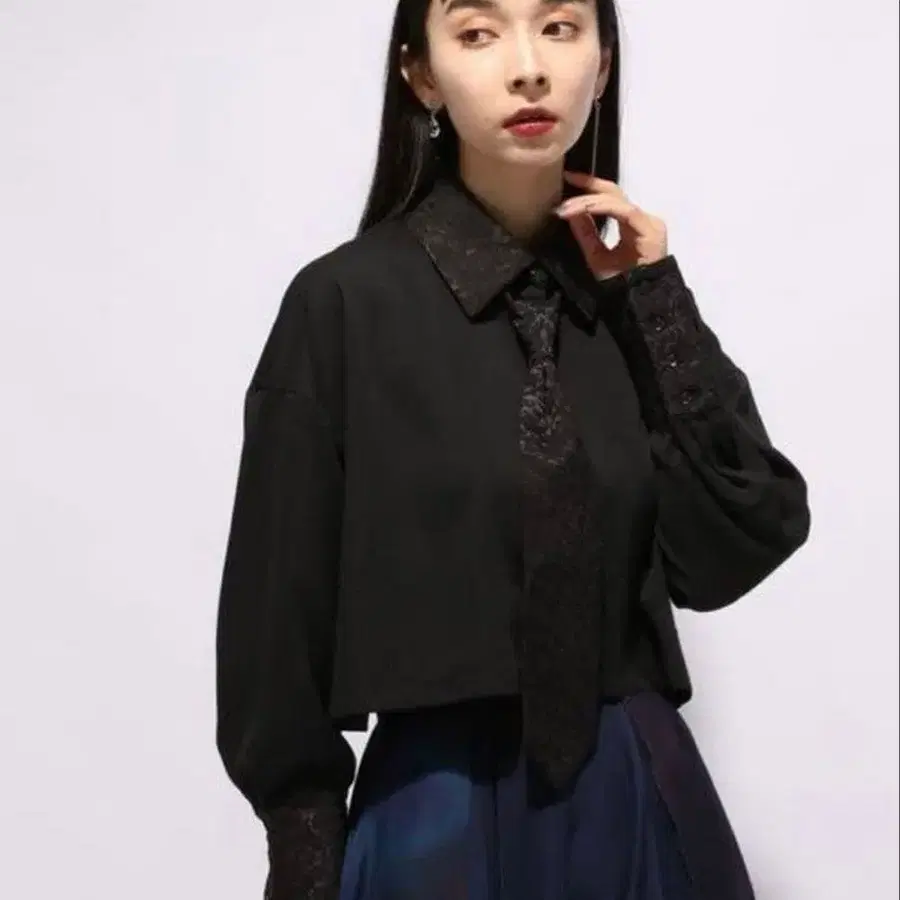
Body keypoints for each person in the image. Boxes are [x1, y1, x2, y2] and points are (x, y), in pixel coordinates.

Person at [214, 0, 811, 897]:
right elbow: (275, 623)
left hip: (635, 792)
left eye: (560, 28)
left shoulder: (627, 300)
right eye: (478, 33)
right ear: (421, 74)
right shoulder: (342, 308)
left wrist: (655, 298)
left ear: (602, 65)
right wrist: (305, 855)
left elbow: (739, 540)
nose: (528, 67)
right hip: (435, 813)